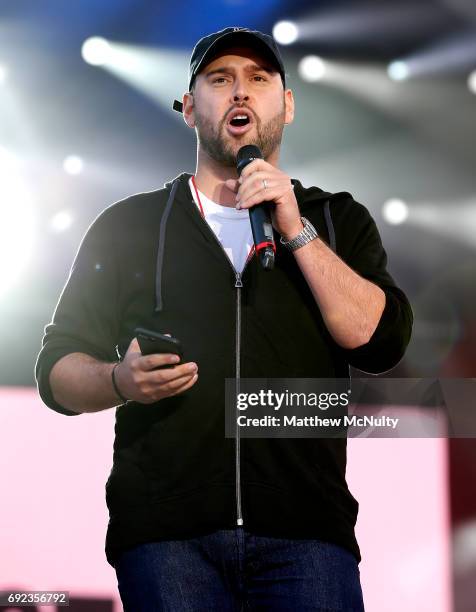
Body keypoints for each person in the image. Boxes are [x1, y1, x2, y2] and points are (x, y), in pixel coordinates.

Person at [35, 26, 413, 611]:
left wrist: (295, 227)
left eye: (259, 79)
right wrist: (119, 381)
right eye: (220, 80)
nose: (241, 92)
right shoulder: (128, 226)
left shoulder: (337, 220)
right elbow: (56, 371)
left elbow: (379, 342)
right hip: (168, 540)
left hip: (308, 537)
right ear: (189, 108)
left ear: (286, 105)